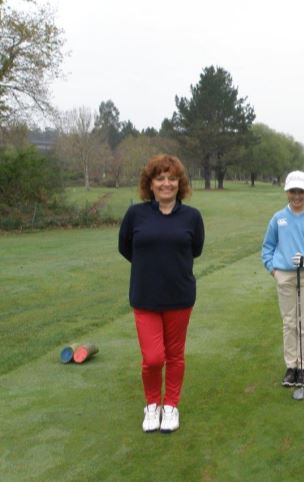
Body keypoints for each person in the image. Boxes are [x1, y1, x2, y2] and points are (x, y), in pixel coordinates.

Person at [118, 154, 204, 433]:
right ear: (150, 184)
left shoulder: (192, 216)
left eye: (172, 178)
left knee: (175, 355)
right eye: (160, 178)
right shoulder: (136, 214)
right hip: (145, 297)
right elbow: (125, 247)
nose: (166, 183)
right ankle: (152, 404)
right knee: (153, 357)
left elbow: (196, 250)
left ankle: (170, 406)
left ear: (180, 183)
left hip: (179, 297)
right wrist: (150, 268)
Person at [262, 171, 304, 388]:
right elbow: (267, 247)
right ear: (287, 192)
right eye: (293, 191)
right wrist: (274, 270)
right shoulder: (278, 218)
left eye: (301, 191)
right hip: (285, 274)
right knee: (289, 322)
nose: (297, 196)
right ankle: (291, 366)